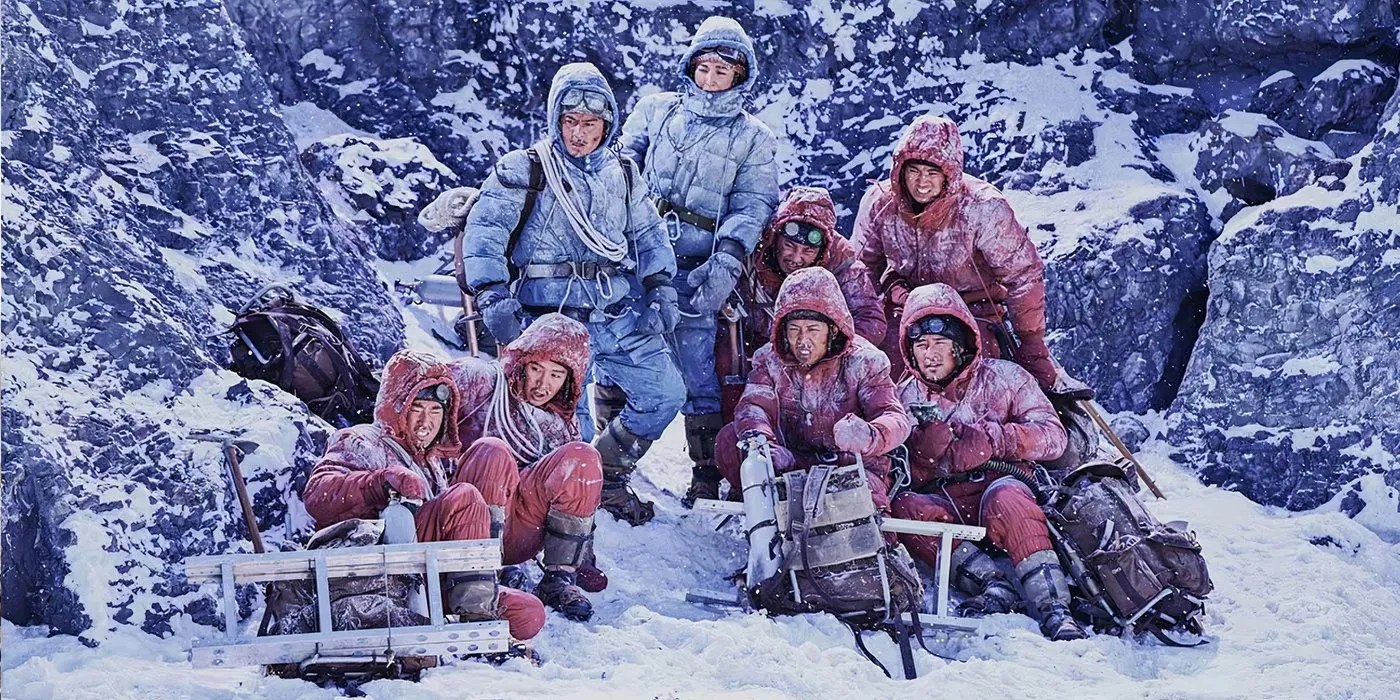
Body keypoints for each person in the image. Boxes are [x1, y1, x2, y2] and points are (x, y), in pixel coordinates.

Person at [462, 62, 685, 526]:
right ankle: (566, 511)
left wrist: (661, 285)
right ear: (554, 120)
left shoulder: (622, 173)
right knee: (570, 425)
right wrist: (492, 296)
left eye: (590, 123)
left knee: (665, 392)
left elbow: (647, 233)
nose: (579, 134)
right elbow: (484, 236)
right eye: (570, 122)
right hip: (550, 316)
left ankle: (607, 473)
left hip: (613, 308)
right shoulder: (526, 170)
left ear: (608, 124)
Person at [617, 16, 779, 514]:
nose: (710, 78)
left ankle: (705, 474)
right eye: (704, 67)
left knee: (697, 370)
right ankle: (608, 465)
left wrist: (727, 263)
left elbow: (752, 205)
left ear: (740, 75)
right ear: (691, 66)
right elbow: (621, 167)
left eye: (722, 70)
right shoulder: (655, 110)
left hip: (697, 263)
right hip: (638, 255)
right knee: (619, 350)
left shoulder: (753, 137)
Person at [302, 350, 546, 643]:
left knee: (530, 613)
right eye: (417, 408)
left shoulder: (432, 462)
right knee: (465, 496)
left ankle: (474, 593)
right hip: (379, 575)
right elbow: (318, 495)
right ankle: (474, 621)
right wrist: (378, 483)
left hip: (433, 576)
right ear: (397, 407)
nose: (426, 421)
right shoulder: (362, 440)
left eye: (435, 411)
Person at [888, 283, 1087, 641]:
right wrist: (922, 455)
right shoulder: (903, 396)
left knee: (1009, 497)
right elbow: (895, 473)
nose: (929, 354)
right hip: (945, 502)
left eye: (938, 344)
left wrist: (995, 439)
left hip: (999, 493)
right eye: (920, 346)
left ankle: (1055, 608)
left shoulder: (1006, 378)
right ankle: (991, 583)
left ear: (960, 344)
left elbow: (1055, 439)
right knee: (902, 508)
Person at [692, 186, 886, 504]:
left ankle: (826, 471)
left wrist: (834, 349)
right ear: (775, 236)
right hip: (756, 349)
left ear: (823, 250)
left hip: (822, 357)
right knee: (733, 394)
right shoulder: (752, 246)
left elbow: (872, 319)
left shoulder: (844, 264)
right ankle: (719, 474)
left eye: (807, 253)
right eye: (789, 246)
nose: (795, 259)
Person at [851, 114, 1058, 389]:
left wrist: (1031, 341)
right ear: (900, 170)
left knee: (972, 379)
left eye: (932, 173)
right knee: (876, 372)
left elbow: (1022, 274)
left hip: (973, 309)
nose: (921, 183)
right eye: (914, 171)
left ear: (949, 174)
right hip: (905, 305)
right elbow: (861, 268)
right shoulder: (881, 204)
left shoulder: (983, 208)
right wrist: (862, 323)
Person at [445, 313, 604, 622]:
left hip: (518, 529)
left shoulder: (561, 426)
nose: (544, 385)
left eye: (556, 375)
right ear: (521, 363)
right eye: (536, 369)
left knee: (582, 456)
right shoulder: (478, 380)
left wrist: (583, 554)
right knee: (494, 452)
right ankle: (480, 577)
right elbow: (421, 402)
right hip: (461, 523)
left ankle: (559, 580)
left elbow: (576, 493)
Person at [712, 267, 911, 513]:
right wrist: (762, 443)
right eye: (794, 330)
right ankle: (765, 516)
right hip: (792, 459)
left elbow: (895, 417)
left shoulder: (866, 362)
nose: (803, 340)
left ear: (833, 330)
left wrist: (870, 435)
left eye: (813, 330)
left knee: (861, 509)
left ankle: (882, 546)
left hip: (851, 465)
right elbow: (754, 405)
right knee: (732, 441)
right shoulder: (769, 360)